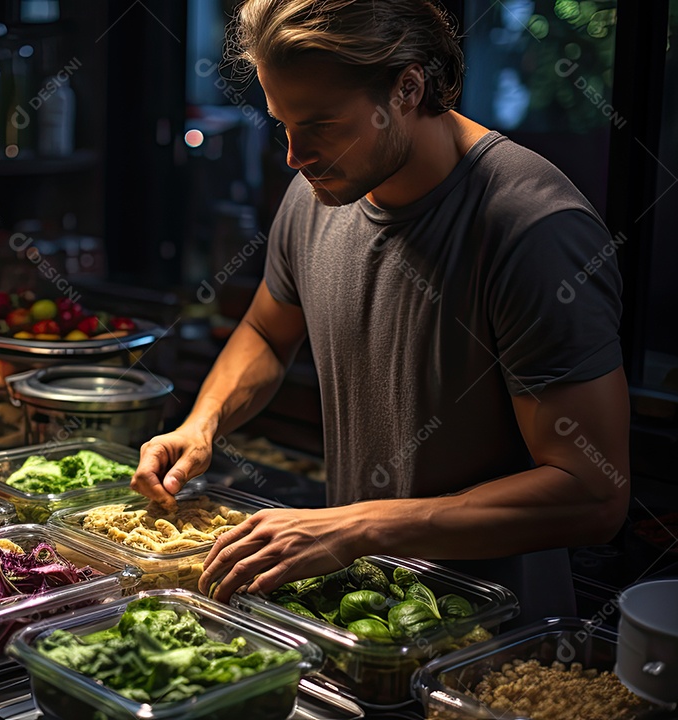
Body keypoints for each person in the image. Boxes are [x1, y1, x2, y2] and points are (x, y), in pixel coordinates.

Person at [131, 0, 630, 624]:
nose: (294, 154)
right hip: (353, 615)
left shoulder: (533, 229)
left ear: (408, 88)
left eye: (322, 125)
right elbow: (265, 329)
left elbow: (593, 492)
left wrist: (360, 525)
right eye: (282, 123)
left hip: (490, 640)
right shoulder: (316, 193)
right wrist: (201, 424)